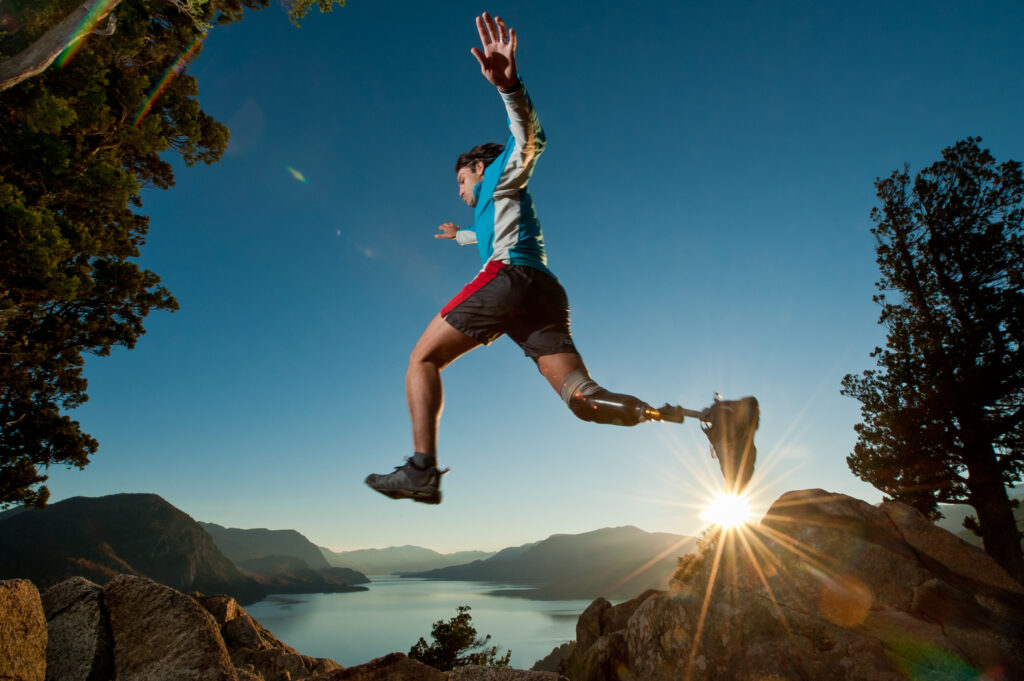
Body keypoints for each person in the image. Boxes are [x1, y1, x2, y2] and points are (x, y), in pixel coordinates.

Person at [365, 13, 758, 505]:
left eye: (461, 181)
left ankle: (422, 469)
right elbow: (492, 233)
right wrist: (461, 235)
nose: (461, 190)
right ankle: (715, 418)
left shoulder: (501, 174)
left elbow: (531, 140)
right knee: (584, 400)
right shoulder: (494, 204)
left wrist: (509, 87)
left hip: (510, 278)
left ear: (478, 168)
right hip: (541, 294)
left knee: (422, 358)